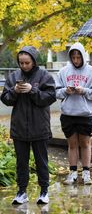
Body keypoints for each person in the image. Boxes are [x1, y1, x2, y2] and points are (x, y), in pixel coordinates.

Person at [1, 46, 56, 205]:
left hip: (39, 126)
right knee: (21, 162)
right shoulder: (13, 76)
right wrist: (14, 91)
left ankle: (44, 191)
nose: (24, 66)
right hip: (19, 127)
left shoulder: (44, 75)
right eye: (21, 63)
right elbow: (5, 99)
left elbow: (50, 97)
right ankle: (21, 192)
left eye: (27, 62)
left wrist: (33, 90)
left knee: (41, 161)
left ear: (34, 61)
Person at [56, 42, 92, 185]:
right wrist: (65, 91)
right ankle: (73, 173)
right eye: (73, 57)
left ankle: (86, 173)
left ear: (83, 56)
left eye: (78, 57)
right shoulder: (63, 72)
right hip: (68, 113)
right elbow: (56, 92)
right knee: (72, 144)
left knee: (85, 143)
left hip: (86, 114)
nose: (76, 60)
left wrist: (84, 91)